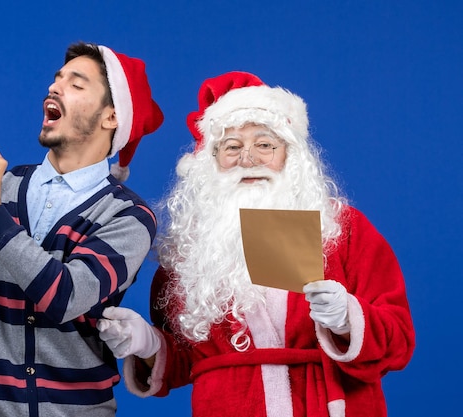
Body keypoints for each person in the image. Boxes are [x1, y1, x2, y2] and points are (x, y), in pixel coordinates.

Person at [97, 71, 415, 417]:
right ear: (211, 161)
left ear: (291, 155)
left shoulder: (342, 228)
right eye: (232, 147)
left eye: (265, 144)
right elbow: (188, 363)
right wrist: (147, 343)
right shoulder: (191, 251)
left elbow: (399, 341)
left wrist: (347, 320)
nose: (247, 159)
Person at [0, 42, 163, 417]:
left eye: (77, 83)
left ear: (111, 117)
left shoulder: (129, 216)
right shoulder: (0, 186)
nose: (55, 87)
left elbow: (64, 297)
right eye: (57, 78)